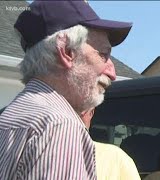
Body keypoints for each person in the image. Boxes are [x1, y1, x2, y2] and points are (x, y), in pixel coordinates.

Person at [0, 0, 132, 179]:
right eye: (103, 54)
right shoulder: (59, 126)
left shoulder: (9, 118)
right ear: (67, 52)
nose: (112, 72)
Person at [80, 108, 141, 180]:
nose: (73, 118)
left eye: (78, 110)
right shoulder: (117, 157)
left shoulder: (117, 158)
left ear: (90, 112)